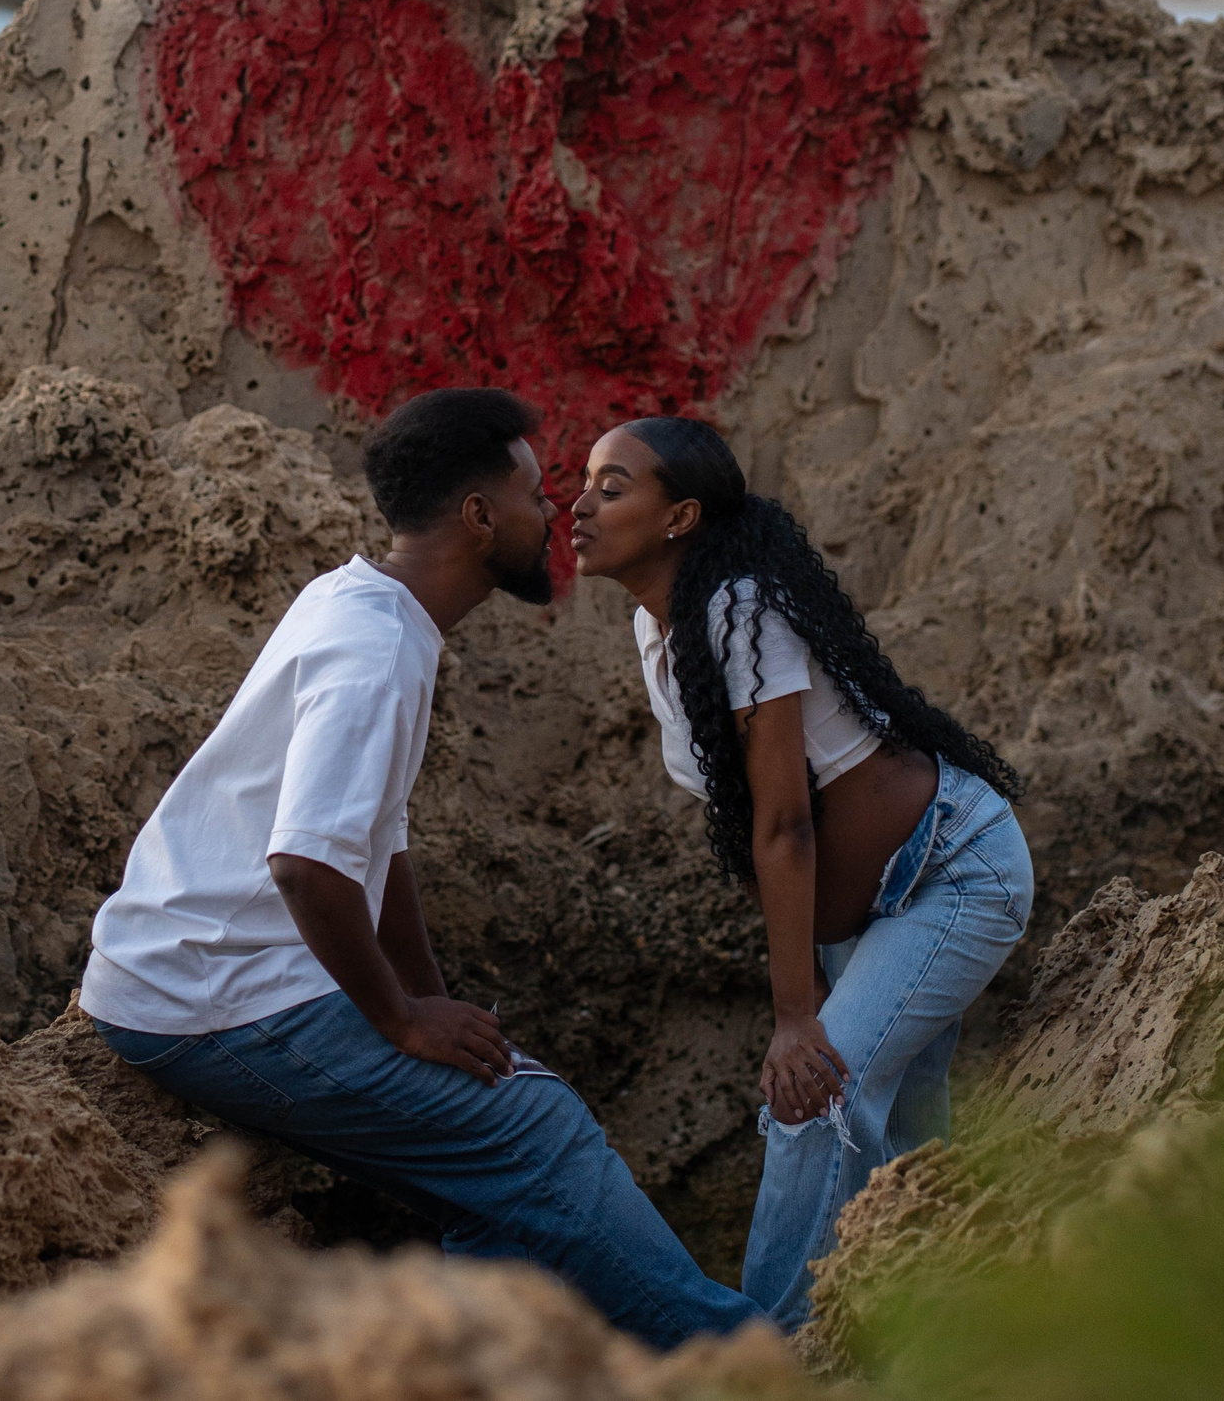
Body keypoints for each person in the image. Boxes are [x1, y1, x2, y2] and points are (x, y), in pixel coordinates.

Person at [82, 388, 759, 1349]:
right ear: (479, 518)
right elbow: (308, 866)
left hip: (198, 972)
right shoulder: (375, 649)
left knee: (493, 1169)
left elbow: (378, 841)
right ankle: (742, 1356)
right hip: (211, 998)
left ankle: (474, 1364)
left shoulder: (360, 601)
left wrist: (433, 1002)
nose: (554, 513)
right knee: (538, 1130)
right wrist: (399, 1019)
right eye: (532, 493)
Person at [568, 415, 1034, 1330]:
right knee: (903, 1134)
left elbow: (785, 825)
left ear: (680, 516)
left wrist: (795, 1013)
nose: (580, 504)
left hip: (952, 869)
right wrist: (811, 972)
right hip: (867, 910)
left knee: (814, 1098)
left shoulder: (741, 609)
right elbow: (751, 822)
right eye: (583, 482)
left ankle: (771, 1359)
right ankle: (929, 1332)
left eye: (612, 486)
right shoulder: (655, 627)